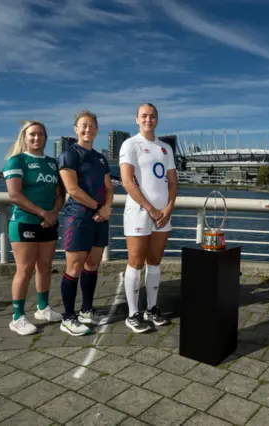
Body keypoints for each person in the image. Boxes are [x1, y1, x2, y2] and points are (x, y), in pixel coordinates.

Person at [119, 103, 177, 333]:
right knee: (135, 261)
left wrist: (169, 207)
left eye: (152, 116)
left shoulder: (165, 148)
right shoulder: (130, 144)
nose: (148, 120)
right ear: (137, 119)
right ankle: (133, 313)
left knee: (154, 261)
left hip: (162, 214)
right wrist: (151, 209)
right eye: (144, 116)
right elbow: (127, 181)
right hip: (139, 212)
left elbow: (172, 182)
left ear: (157, 119)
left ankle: (152, 309)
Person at [3, 121, 65, 335]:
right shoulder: (16, 161)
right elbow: (14, 195)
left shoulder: (52, 163)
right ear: (24, 137)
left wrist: (53, 214)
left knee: (45, 266)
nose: (36, 138)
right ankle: (18, 317)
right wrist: (43, 213)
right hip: (24, 223)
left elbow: (60, 194)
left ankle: (42, 308)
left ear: (46, 138)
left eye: (40, 134)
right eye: (32, 135)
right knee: (25, 269)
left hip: (49, 222)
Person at [57, 110, 114, 336]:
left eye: (91, 126)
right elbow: (73, 190)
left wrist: (106, 208)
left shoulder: (100, 158)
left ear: (97, 129)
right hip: (78, 217)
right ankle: (68, 317)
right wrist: (98, 207)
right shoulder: (69, 154)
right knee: (74, 267)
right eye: (83, 126)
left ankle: (87, 311)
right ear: (76, 129)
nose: (87, 129)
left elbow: (109, 187)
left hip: (100, 218)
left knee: (92, 265)